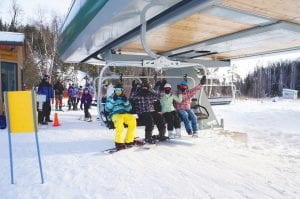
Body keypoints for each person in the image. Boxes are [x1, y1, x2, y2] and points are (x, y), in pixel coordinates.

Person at [105, 83, 137, 150]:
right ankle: (118, 142)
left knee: (133, 121)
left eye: (119, 90)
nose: (118, 91)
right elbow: (107, 108)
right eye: (117, 90)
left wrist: (126, 102)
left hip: (124, 113)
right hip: (115, 114)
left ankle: (129, 140)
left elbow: (129, 109)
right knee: (120, 125)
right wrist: (113, 100)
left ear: (122, 90)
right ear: (114, 90)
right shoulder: (111, 97)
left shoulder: (124, 97)